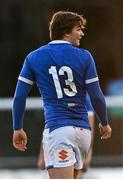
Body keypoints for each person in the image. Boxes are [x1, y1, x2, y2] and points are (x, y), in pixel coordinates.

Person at [12, 11, 112, 179]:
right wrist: (105, 122)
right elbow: (96, 95)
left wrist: (17, 128)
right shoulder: (85, 57)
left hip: (59, 131)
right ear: (66, 32)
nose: (82, 33)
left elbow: (20, 97)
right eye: (78, 29)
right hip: (83, 133)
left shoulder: (34, 57)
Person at [37, 95, 95, 179]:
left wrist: (88, 151)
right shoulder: (54, 94)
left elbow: (90, 121)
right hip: (61, 141)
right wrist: (42, 153)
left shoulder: (82, 94)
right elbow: (49, 126)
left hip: (73, 139)